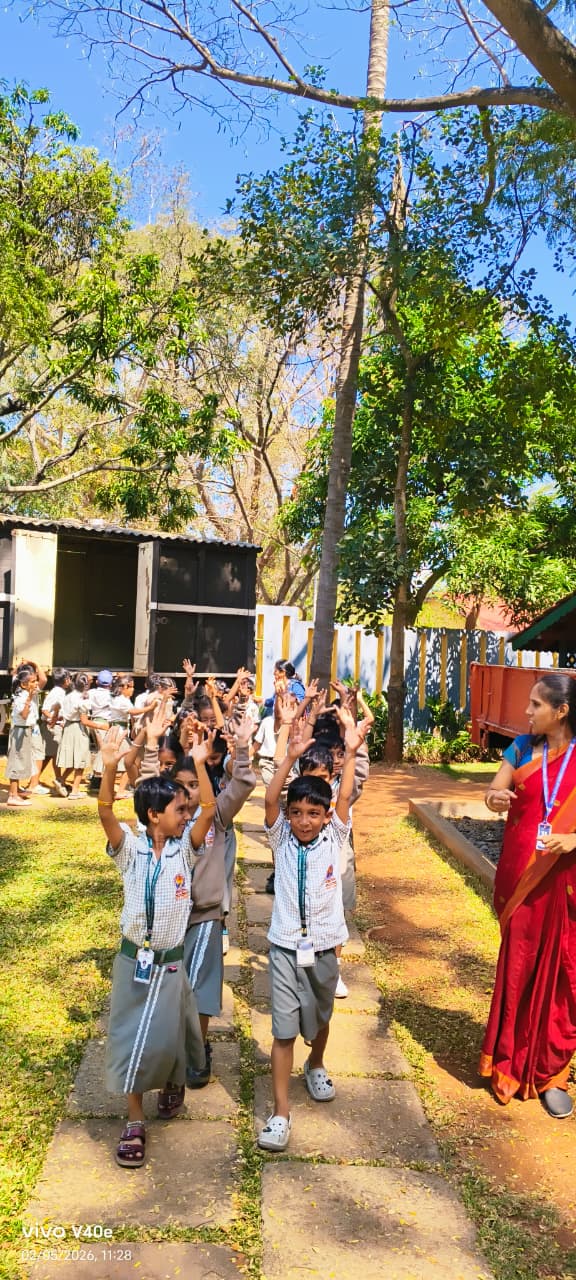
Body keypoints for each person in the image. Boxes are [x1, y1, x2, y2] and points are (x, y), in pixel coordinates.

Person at [97, 727, 216, 1167]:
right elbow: (106, 811)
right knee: (129, 1039)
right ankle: (133, 1120)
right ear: (152, 816)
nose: (184, 816)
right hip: (133, 961)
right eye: (175, 810)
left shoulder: (186, 850)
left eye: (184, 810)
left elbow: (207, 808)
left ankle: (173, 1079)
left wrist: (200, 764)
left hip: (169, 963)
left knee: (167, 1039)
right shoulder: (130, 850)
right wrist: (109, 767)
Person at [257, 713, 369, 1152]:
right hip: (285, 946)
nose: (305, 821)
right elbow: (268, 800)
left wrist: (353, 748)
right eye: (297, 813)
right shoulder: (281, 838)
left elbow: (344, 796)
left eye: (313, 814)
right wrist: (290, 758)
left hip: (323, 947)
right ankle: (281, 1113)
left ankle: (316, 1063)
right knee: (283, 1031)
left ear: (326, 818)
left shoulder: (334, 837)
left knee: (320, 1016)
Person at [479, 672, 576, 1119]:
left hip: (566, 880)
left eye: (536, 705)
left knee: (562, 973)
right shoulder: (521, 747)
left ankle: (552, 1072)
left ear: (562, 711)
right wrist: (495, 796)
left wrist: (574, 839)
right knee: (518, 965)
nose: (527, 711)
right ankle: (509, 1063)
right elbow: (496, 789)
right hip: (522, 877)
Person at [5, 666, 41, 807]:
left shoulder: (25, 694)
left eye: (35, 680)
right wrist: (30, 698)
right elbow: (24, 715)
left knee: (22, 761)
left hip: (25, 731)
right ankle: (13, 795)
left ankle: (16, 790)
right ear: (24, 684)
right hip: (20, 732)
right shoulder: (22, 697)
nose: (36, 683)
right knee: (17, 762)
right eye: (32, 681)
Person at [40, 667, 72, 796]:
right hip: (53, 727)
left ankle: (58, 780)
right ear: (65, 680)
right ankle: (60, 780)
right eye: (69, 678)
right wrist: (52, 720)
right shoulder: (57, 692)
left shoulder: (60, 691)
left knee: (50, 756)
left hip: (55, 726)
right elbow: (45, 709)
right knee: (54, 756)